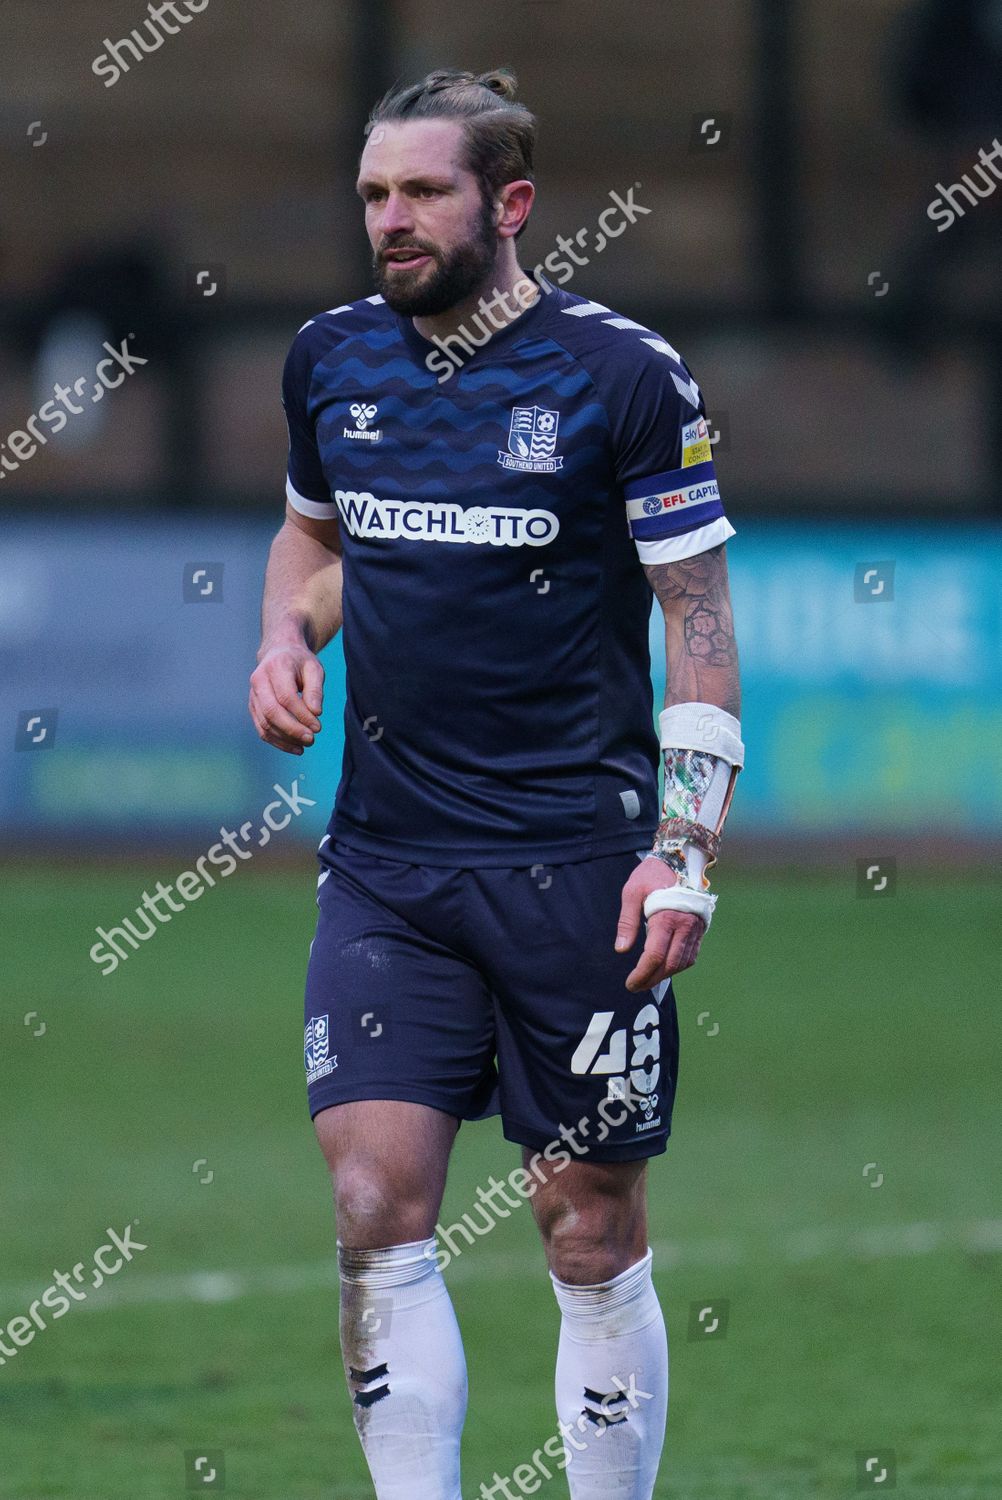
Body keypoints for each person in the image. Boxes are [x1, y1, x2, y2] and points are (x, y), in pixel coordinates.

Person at [250, 67, 743, 1500]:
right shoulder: (331, 361)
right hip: (388, 864)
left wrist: (686, 847)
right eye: (371, 197)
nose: (388, 223)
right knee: (370, 1206)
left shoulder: (622, 380)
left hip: (577, 870)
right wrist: (286, 630)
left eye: (420, 194)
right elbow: (316, 542)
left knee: (583, 1227)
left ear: (509, 204)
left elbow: (696, 624)